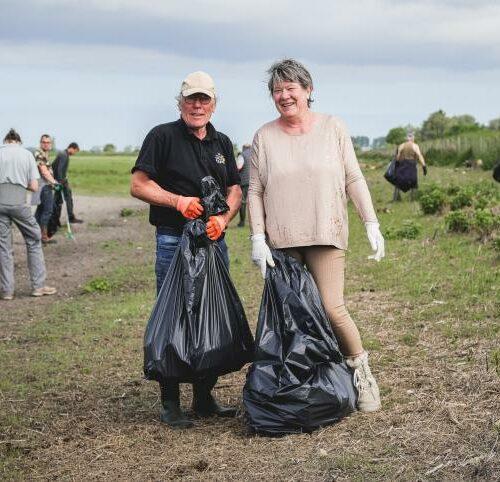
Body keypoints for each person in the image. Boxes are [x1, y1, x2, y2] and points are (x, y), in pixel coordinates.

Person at [248, 59, 385, 413]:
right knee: (293, 315)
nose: (284, 96)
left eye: (291, 88)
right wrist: (258, 238)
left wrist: (370, 222)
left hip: (326, 232)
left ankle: (361, 373)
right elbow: (255, 191)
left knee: (331, 308)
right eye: (277, 90)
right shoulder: (264, 136)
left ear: (308, 90)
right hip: (283, 242)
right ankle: (302, 384)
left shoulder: (332, 127)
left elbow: (353, 177)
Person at [130, 71, 242, 429]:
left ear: (214, 104)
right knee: (174, 315)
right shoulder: (162, 136)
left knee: (211, 312)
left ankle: (204, 398)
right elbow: (138, 185)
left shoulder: (222, 143)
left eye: (204, 99)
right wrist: (177, 201)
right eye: (191, 98)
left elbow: (235, 189)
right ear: (180, 103)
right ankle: (170, 404)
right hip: (173, 240)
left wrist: (223, 218)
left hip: (212, 241)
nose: (197, 105)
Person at [0, 129, 57, 300]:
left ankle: (7, 291)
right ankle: (38, 286)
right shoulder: (26, 155)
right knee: (33, 239)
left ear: (6, 140)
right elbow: (33, 186)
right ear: (18, 141)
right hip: (19, 203)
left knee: (4, 248)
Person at [33, 134, 60, 244]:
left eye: (48, 142)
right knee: (47, 211)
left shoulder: (44, 154)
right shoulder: (39, 154)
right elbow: (44, 171)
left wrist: (52, 182)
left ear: (51, 144)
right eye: (43, 142)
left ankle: (34, 235)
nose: (46, 144)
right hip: (44, 187)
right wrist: (54, 182)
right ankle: (43, 237)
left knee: (40, 211)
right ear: (40, 143)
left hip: (44, 186)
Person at [51, 142, 83, 226]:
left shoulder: (64, 154)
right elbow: (59, 169)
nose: (75, 153)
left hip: (60, 180)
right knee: (61, 200)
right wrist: (60, 182)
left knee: (61, 200)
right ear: (72, 148)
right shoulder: (64, 155)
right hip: (60, 181)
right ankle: (60, 220)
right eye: (75, 151)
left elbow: (58, 168)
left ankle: (60, 220)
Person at [393, 132, 427, 202]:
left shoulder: (401, 146)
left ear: (406, 138)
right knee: (413, 184)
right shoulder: (415, 146)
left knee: (398, 183)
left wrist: (396, 167)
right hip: (411, 166)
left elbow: (397, 158)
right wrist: (424, 166)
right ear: (413, 138)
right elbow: (419, 156)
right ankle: (413, 200)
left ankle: (396, 199)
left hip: (401, 166)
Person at [236, 144, 251, 227]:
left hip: (244, 181)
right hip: (255, 181)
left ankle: (242, 222)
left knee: (243, 202)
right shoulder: (255, 154)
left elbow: (238, 167)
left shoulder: (242, 155)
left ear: (243, 148)